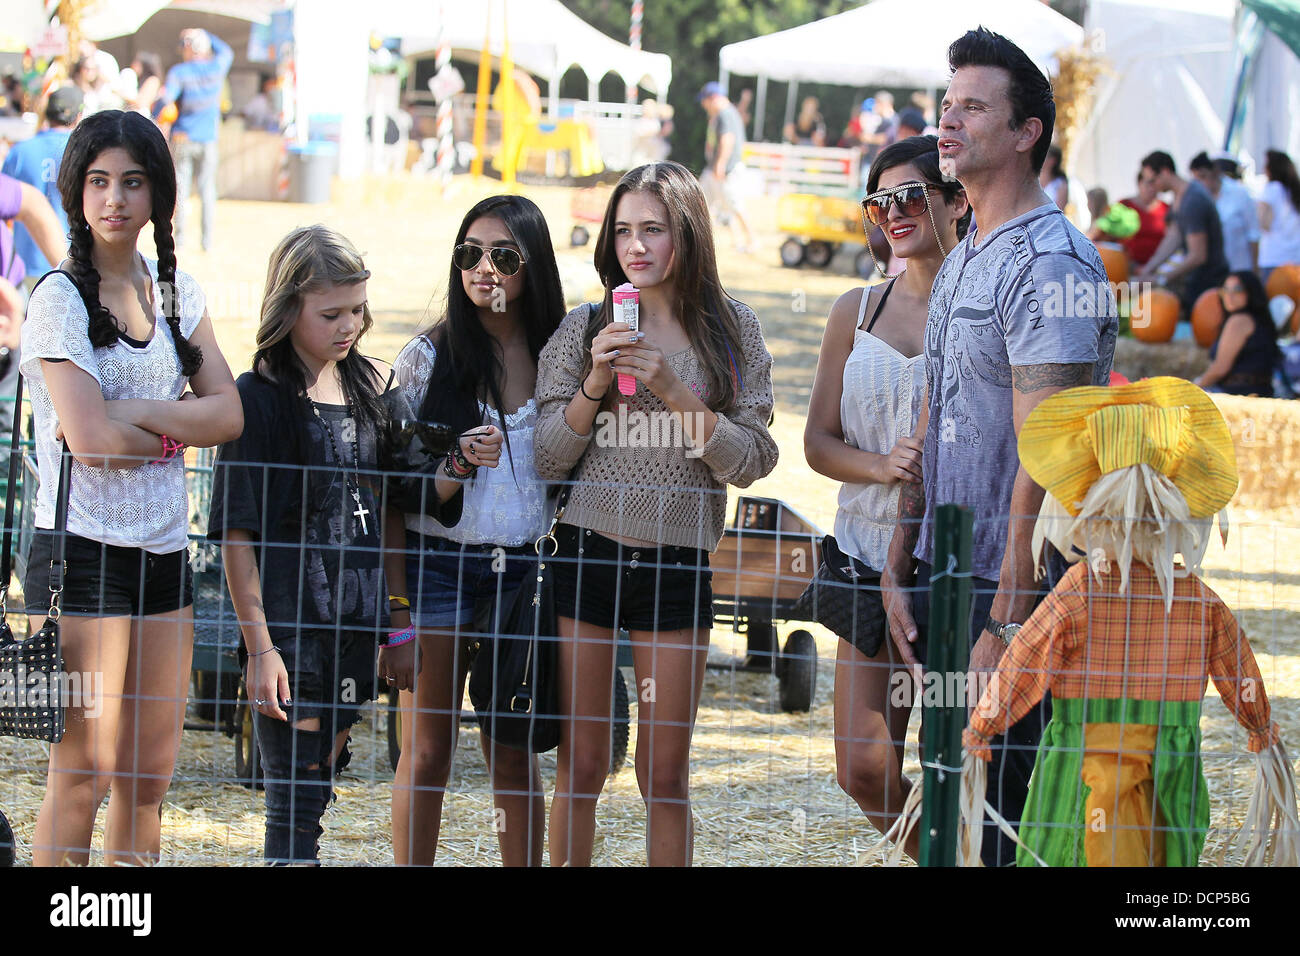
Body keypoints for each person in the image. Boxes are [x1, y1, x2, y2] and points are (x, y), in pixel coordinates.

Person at [879, 27, 1118, 867]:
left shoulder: (1054, 264)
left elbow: (1045, 456)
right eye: (947, 106)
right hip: (949, 578)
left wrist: (1007, 617)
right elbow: (932, 421)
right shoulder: (965, 255)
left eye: (973, 107)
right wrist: (900, 552)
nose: (947, 123)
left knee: (1005, 828)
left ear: (1026, 133)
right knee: (948, 810)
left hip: (1017, 593)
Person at [534, 160, 778, 866]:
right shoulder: (584, 325)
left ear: (689, 233)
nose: (634, 247)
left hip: (676, 564)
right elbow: (549, 457)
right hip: (588, 552)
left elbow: (753, 458)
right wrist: (594, 383)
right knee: (582, 764)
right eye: (622, 231)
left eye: (653, 229)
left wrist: (674, 389)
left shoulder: (733, 331)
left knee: (661, 775)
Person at [20, 109, 243, 866]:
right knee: (83, 773)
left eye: (133, 182)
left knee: (148, 778)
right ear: (77, 190)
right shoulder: (59, 298)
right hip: (83, 556)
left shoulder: (175, 293)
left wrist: (146, 419)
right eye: (99, 181)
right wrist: (178, 424)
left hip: (163, 553)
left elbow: (229, 412)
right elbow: (90, 443)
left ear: (159, 196)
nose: (115, 198)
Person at [962, 379, 1294, 867]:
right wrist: (1263, 736)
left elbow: (1024, 664)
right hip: (1167, 777)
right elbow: (1239, 676)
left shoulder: (1078, 591)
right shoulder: (1199, 604)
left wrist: (981, 728)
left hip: (1078, 774)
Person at [386, 195, 565, 866]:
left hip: (525, 575)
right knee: (426, 749)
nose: (483, 268)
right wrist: (456, 462)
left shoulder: (561, 357)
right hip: (439, 566)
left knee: (513, 753)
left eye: (504, 256)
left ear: (533, 266)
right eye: (469, 254)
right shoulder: (427, 358)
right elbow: (393, 492)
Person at [801, 135, 968, 860]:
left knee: (954, 764)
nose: (893, 212)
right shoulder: (855, 310)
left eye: (910, 196)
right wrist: (882, 467)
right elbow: (816, 441)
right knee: (863, 768)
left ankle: (965, 850)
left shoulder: (978, 304)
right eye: (880, 200)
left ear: (954, 198)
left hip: (957, 560)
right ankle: (948, 858)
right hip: (865, 555)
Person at [208, 225, 396, 865]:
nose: (350, 326)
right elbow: (237, 536)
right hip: (290, 628)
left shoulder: (368, 386)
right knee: (292, 807)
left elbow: (397, 501)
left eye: (358, 309)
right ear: (288, 310)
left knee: (319, 781)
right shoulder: (255, 401)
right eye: (332, 313)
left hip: (356, 622)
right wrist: (260, 648)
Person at [154, 28, 234, 251]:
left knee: (181, 189)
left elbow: (166, 99)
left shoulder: (180, 72)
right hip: (208, 138)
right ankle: (207, 242)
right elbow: (226, 51)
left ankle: (179, 240)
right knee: (208, 190)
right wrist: (206, 33)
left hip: (183, 137)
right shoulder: (216, 68)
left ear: (188, 48)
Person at [1135, 150, 1229, 318]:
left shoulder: (1193, 200)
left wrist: (1161, 279)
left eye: (1152, 180)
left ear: (1165, 172)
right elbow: (1173, 237)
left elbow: (1198, 255)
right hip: (1195, 281)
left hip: (1209, 283)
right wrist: (1148, 269)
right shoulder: (1180, 197)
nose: (1152, 186)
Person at [3, 86, 81, 279]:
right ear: (79, 116)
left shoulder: (19, 151)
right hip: (79, 263)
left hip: (27, 265)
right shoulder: (87, 153)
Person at [1194, 271, 1279, 396]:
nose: (1230, 295)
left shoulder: (1239, 321)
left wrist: (1193, 388)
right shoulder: (1260, 321)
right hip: (1262, 392)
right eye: (1225, 290)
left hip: (1236, 395)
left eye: (1237, 289)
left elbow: (1220, 369)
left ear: (1251, 292)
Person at [698, 82, 755, 253]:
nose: (703, 105)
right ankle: (736, 241)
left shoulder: (726, 114)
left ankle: (752, 239)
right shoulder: (724, 114)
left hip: (727, 169)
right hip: (716, 168)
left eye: (705, 101)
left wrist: (720, 164)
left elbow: (727, 139)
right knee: (706, 201)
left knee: (735, 205)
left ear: (713, 98)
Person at [1189, 150, 1259, 273]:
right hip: (1211, 272)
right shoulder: (1197, 199)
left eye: (1203, 176)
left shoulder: (1240, 194)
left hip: (1239, 269)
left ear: (1215, 172)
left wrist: (1255, 269)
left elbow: (1253, 234)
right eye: (1197, 179)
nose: (1201, 183)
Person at [1257, 149, 1300, 285]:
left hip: (1273, 258)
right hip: (1295, 258)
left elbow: (1264, 223)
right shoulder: (1295, 191)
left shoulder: (1271, 189)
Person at [1119, 167, 1169, 268]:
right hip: (1128, 266)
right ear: (1139, 183)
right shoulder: (1124, 206)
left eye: (1154, 184)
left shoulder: (1166, 209)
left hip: (1158, 267)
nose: (1152, 189)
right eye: (1148, 184)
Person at [1039, 144, 1068, 211]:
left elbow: (1059, 209)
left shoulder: (1060, 184)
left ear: (1052, 160)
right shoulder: (1034, 180)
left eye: (1043, 155)